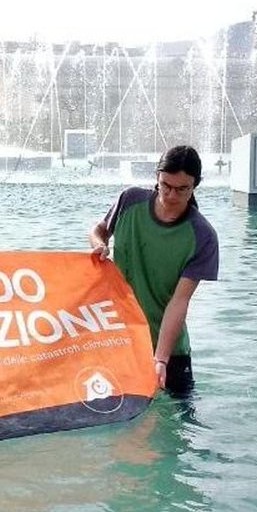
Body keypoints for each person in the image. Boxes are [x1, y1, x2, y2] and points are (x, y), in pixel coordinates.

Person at [89, 146, 219, 395]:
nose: (171, 195)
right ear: (157, 178)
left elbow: (179, 302)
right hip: (119, 341)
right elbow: (98, 231)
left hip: (169, 350)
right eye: (165, 185)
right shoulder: (130, 201)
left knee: (178, 423)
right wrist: (99, 245)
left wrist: (160, 359)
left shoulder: (203, 236)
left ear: (195, 186)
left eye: (183, 189)